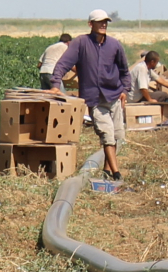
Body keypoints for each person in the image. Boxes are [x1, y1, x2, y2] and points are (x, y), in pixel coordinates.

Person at [50, 10, 131, 178]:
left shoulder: (114, 45)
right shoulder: (81, 43)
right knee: (107, 135)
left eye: (105, 22)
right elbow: (63, 64)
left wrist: (125, 90)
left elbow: (124, 70)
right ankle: (117, 174)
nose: (103, 24)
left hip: (114, 96)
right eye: (99, 22)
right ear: (90, 24)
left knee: (117, 135)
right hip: (95, 98)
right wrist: (55, 84)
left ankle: (107, 171)